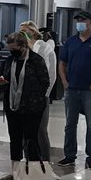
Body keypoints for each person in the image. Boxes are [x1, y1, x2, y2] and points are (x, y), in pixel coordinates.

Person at [57, 10, 91, 170]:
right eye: (78, 20)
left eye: (83, 20)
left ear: (90, 22)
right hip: (72, 89)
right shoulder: (71, 41)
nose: (80, 23)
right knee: (70, 124)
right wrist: (64, 81)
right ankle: (69, 155)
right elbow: (62, 63)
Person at [0, 31, 50, 176]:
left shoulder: (36, 60)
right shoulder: (10, 61)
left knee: (30, 139)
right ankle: (15, 172)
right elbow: (6, 78)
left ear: (24, 46)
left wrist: (33, 96)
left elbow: (45, 82)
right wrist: (3, 82)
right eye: (10, 49)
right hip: (13, 106)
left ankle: (32, 171)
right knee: (14, 138)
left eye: (15, 49)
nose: (12, 52)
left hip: (32, 108)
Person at [20, 20, 57, 163]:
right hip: (23, 97)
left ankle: (45, 164)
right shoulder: (22, 48)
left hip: (39, 97)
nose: (22, 34)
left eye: (25, 31)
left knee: (40, 131)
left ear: (33, 32)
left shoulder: (43, 48)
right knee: (25, 131)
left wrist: (43, 95)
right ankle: (28, 162)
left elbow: (50, 75)